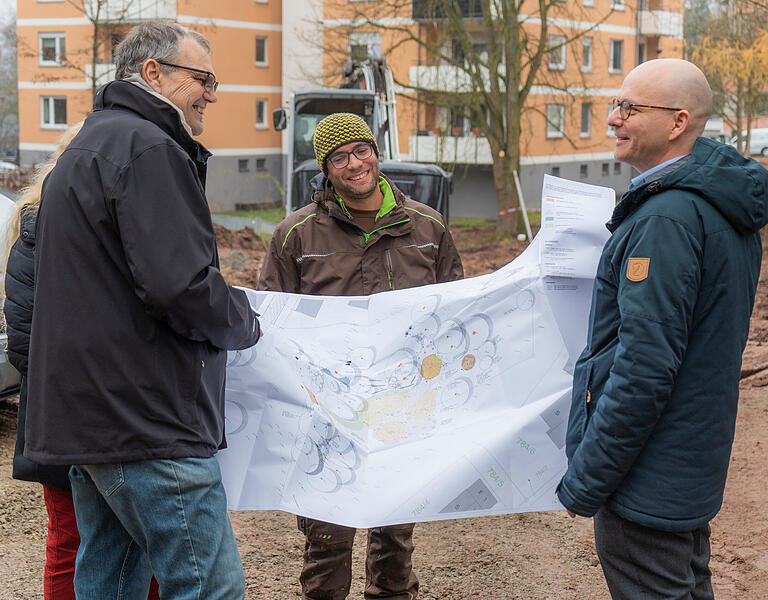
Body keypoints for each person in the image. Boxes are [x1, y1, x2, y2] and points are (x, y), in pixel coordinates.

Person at [24, 21, 261, 599]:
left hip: (92, 420)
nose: (211, 93)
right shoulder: (148, 147)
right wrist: (246, 321)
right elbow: (180, 286)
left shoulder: (88, 145)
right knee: (211, 587)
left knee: (109, 583)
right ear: (153, 73)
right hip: (146, 421)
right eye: (202, 78)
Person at [556, 58, 768, 599]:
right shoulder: (710, 203)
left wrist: (588, 479)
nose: (612, 118)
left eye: (629, 108)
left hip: (648, 476)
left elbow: (645, 369)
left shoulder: (666, 219)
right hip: (686, 462)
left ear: (677, 123)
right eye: (615, 104)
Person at [257, 112, 463, 600]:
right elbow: (271, 322)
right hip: (327, 418)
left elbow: (457, 313)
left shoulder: (427, 227)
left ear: (376, 152)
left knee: (394, 541)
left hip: (403, 411)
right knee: (327, 543)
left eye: (361, 150)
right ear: (325, 170)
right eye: (339, 157)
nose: (354, 164)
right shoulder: (297, 235)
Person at [4, 125, 162, 600]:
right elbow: (25, 340)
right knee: (94, 539)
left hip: (59, 413)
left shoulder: (43, 221)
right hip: (72, 412)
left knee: (89, 541)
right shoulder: (40, 224)